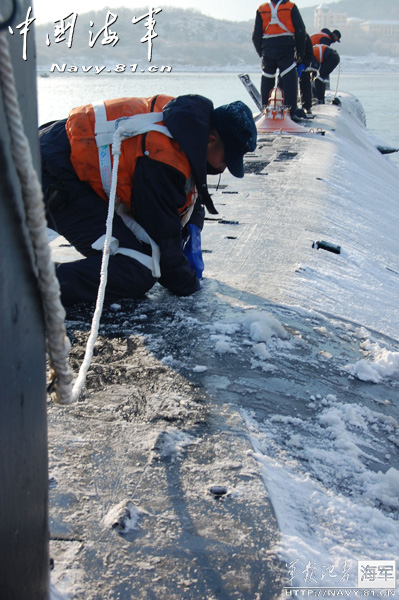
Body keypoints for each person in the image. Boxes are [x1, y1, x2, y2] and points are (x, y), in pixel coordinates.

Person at [39, 94, 257, 306]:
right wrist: (192, 287)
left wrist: (193, 227)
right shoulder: (161, 160)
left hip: (58, 149)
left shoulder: (185, 125)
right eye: (227, 159)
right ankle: (30, 284)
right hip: (53, 175)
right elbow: (165, 252)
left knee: (142, 253)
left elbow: (188, 191)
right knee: (137, 269)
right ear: (211, 141)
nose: (225, 167)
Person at [252, 0, 306, 120]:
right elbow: (300, 30)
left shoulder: (262, 8)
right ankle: (290, 112)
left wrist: (260, 52)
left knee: (267, 77)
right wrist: (300, 53)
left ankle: (266, 110)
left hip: (267, 47)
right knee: (289, 77)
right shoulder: (290, 7)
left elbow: (256, 34)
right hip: (285, 46)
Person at [298, 32, 315, 114]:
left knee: (305, 83)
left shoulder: (305, 37)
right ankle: (286, 105)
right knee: (286, 84)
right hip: (289, 63)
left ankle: (307, 106)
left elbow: (309, 54)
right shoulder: (288, 36)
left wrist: (304, 64)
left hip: (303, 63)